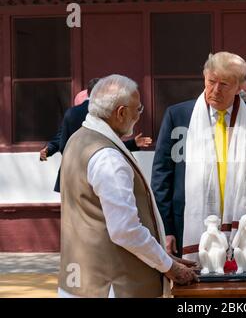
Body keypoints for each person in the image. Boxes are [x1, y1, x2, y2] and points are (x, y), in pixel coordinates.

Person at [58, 74, 198, 298]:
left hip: (80, 280)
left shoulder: (79, 138)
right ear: (121, 112)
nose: (138, 115)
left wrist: (162, 254)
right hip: (112, 285)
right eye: (138, 109)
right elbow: (125, 230)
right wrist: (168, 266)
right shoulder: (107, 158)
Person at [151, 51, 246, 261]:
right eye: (211, 81)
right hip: (187, 226)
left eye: (224, 84)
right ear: (204, 77)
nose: (215, 90)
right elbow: (161, 177)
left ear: (240, 87)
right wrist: (166, 229)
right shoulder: (178, 116)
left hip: (245, 227)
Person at [40, 78, 152, 192]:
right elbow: (108, 145)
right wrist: (133, 144)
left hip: (71, 173)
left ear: (87, 92)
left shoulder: (71, 113)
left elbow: (62, 141)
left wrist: (49, 149)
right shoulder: (107, 114)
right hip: (100, 172)